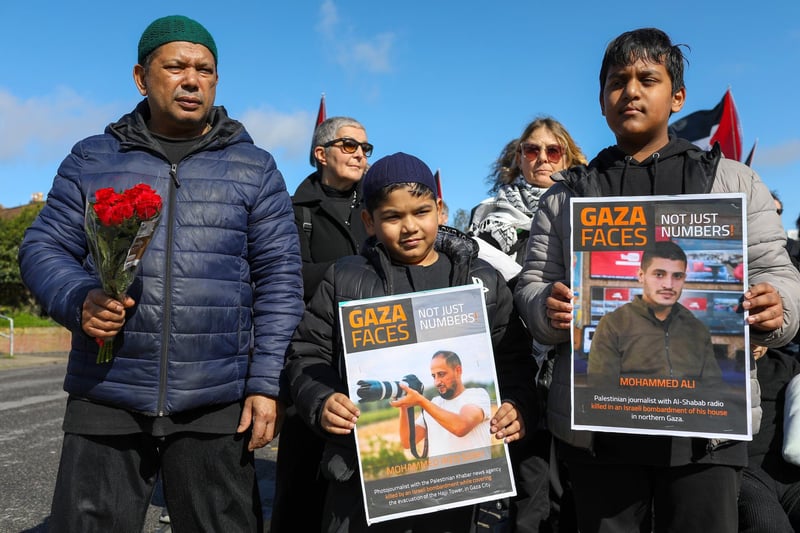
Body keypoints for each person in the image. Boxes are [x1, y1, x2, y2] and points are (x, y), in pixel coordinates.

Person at [17, 15, 304, 532]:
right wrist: (78, 297)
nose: (192, 80)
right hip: (106, 391)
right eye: (175, 66)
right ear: (140, 76)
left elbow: (281, 280)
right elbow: (43, 246)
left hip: (217, 401)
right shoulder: (92, 158)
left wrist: (266, 383)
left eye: (206, 70)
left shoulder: (255, 168)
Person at [514, 27, 800, 533]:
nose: (632, 91)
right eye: (618, 82)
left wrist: (778, 309)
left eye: (649, 78)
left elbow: (779, 273)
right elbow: (534, 282)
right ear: (602, 101)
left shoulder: (732, 181)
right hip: (598, 432)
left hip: (707, 437)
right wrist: (547, 310)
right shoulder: (567, 194)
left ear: (677, 96)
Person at [284, 152, 537, 532]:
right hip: (359, 482)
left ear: (440, 210)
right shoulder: (346, 279)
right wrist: (321, 400)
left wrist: (517, 405)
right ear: (369, 221)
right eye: (392, 217)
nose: (409, 228)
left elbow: (514, 359)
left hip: (455, 487)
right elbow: (306, 354)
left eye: (420, 212)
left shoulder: (479, 281)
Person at [272, 116, 372, 533]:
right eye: (349, 145)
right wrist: (349, 272)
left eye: (366, 148)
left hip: (370, 353)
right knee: (301, 479)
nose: (360, 155)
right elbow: (285, 275)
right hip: (312, 357)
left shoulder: (377, 204)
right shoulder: (294, 209)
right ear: (321, 154)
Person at [468, 117, 587, 283]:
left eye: (553, 151)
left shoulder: (583, 211)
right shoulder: (485, 211)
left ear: (567, 159)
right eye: (532, 150)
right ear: (519, 158)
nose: (543, 158)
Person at [588, 241, 722, 386]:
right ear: (641, 275)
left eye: (677, 276)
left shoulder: (697, 329)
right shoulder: (614, 324)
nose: (668, 285)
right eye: (659, 274)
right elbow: (601, 391)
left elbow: (713, 390)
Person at [739, 344, 800, 532]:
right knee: (767, 524)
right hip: (744, 470)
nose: (755, 344)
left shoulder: (785, 364)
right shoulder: (719, 364)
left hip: (791, 473)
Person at [393, 350, 492, 457]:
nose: (437, 382)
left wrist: (420, 400)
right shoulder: (434, 403)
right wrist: (403, 406)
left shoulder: (477, 395)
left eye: (441, 374)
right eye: (434, 376)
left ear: (458, 370)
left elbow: (461, 427)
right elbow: (407, 442)